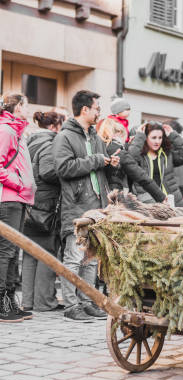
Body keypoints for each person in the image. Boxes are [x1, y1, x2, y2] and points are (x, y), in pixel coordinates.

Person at [54, 90, 118, 322]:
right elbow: (63, 168)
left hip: (97, 207)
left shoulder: (95, 136)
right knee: (73, 258)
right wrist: (96, 160)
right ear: (85, 110)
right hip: (76, 206)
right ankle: (71, 306)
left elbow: (99, 168)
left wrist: (111, 164)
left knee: (90, 259)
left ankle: (87, 301)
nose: (99, 112)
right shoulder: (65, 137)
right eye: (97, 108)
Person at [21, 111, 65, 313]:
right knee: (47, 252)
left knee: (30, 253)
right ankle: (45, 301)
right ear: (54, 127)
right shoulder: (49, 142)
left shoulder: (30, 141)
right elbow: (48, 171)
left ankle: (28, 301)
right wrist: (66, 172)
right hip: (46, 204)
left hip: (30, 203)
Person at [0, 93, 36, 323]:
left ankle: (11, 299)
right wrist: (19, 184)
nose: (28, 109)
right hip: (9, 198)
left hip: (18, 199)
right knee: (6, 252)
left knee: (14, 253)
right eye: (26, 105)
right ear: (18, 107)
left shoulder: (17, 130)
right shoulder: (7, 130)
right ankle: (2, 302)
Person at [97, 118, 166, 202]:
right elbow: (140, 176)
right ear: (118, 133)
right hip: (115, 198)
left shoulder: (99, 147)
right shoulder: (119, 152)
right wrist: (161, 197)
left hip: (99, 197)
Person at [128, 122, 183, 206]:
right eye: (153, 138)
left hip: (172, 201)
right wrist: (139, 136)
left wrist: (173, 135)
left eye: (160, 138)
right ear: (146, 137)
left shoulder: (167, 154)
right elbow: (130, 160)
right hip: (148, 202)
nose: (157, 141)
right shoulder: (139, 155)